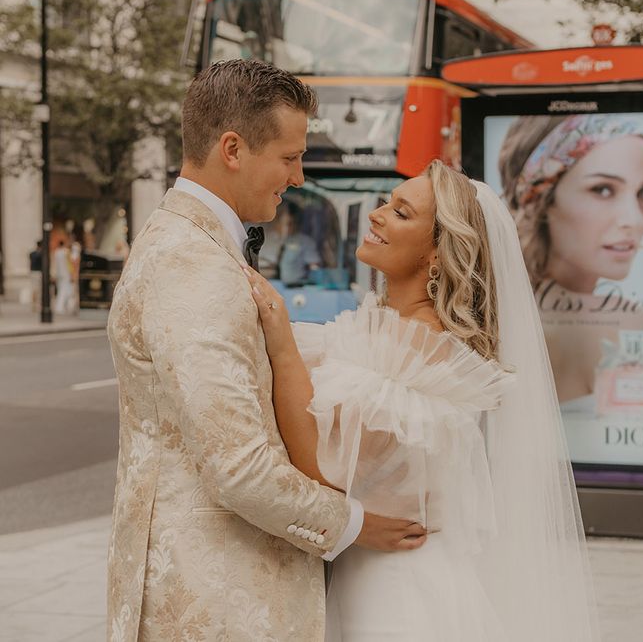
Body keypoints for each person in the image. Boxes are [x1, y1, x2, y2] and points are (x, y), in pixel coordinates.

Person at [106, 60, 426, 641]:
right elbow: (240, 467)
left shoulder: (193, 244)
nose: (299, 177)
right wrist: (356, 525)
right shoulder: (191, 264)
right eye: (289, 157)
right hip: (218, 604)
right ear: (232, 148)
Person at [244, 160, 601, 641]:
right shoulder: (388, 328)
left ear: (436, 255)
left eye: (401, 212)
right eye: (387, 202)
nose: (377, 214)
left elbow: (320, 466)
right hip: (373, 578)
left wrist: (283, 344)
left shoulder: (418, 348)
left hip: (398, 599)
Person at [498, 113, 643, 407]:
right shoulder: (630, 324)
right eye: (603, 189)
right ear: (540, 197)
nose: (633, 219)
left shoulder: (495, 306)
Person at [276, 200, 321, 286]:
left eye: (290, 224)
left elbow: (314, 267)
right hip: (280, 285)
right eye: (284, 223)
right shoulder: (282, 240)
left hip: (298, 288)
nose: (286, 228)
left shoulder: (306, 242)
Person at [53, 239, 75, 314]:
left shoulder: (56, 252)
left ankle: (64, 306)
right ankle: (61, 306)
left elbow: (55, 264)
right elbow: (70, 264)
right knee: (65, 290)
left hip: (59, 274)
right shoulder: (66, 252)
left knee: (61, 290)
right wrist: (72, 274)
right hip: (66, 274)